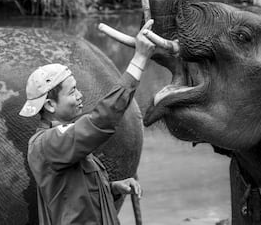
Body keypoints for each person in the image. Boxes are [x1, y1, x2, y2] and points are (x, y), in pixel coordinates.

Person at [19, 20, 157, 225]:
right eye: (73, 91)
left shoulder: (63, 143)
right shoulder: (47, 143)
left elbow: (76, 201)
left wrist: (112, 188)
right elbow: (102, 119)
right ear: (49, 105)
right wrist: (138, 60)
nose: (80, 96)